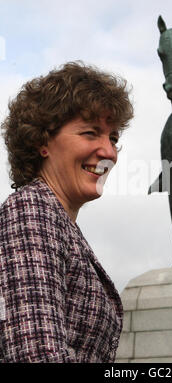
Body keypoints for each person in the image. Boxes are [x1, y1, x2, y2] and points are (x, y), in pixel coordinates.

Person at [0, 61, 133, 362]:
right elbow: (36, 354)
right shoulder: (31, 211)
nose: (110, 152)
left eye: (113, 138)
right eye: (90, 133)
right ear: (41, 141)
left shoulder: (57, 220)